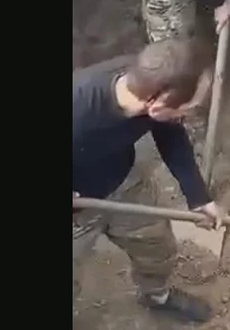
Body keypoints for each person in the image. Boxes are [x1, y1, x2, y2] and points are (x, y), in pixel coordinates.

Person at [72, 38, 221, 324]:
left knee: (157, 248)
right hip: (76, 211)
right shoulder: (78, 107)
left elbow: (171, 136)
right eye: (187, 108)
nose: (189, 113)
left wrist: (198, 196)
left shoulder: (145, 81)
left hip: (125, 183)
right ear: (155, 104)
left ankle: (156, 296)